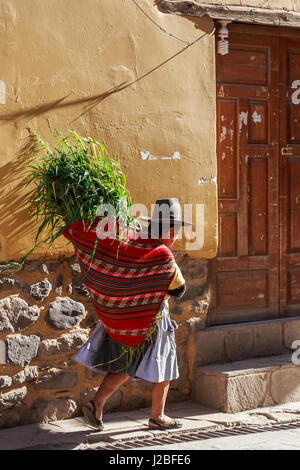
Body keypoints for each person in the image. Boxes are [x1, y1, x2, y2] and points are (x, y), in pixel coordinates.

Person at [73, 198, 190, 431]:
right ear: (168, 230)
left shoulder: (133, 243)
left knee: (126, 363)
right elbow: (178, 289)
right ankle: (158, 415)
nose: (177, 235)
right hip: (153, 319)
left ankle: (96, 403)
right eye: (176, 230)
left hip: (128, 320)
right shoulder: (163, 254)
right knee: (165, 363)